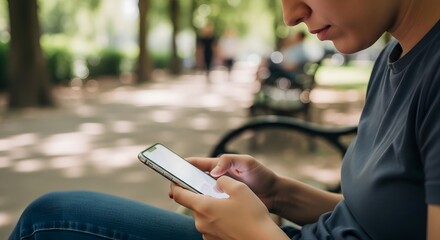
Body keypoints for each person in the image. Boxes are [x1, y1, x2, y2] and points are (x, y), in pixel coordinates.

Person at [8, 0, 440, 239]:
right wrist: (279, 195)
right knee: (51, 216)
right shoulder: (391, 57)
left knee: (52, 223)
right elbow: (383, 221)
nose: (291, 14)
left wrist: (254, 236)